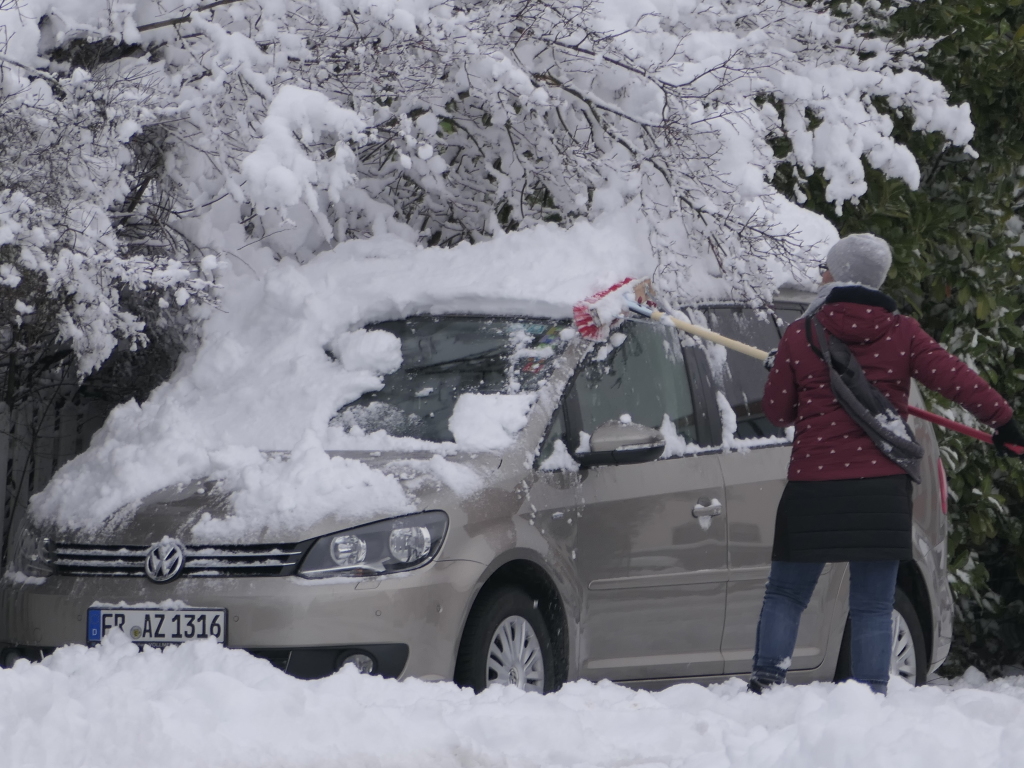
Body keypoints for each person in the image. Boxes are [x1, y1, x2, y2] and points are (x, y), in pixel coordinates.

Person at [749, 233, 1024, 695]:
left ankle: (766, 683)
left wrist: (785, 369)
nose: (821, 274)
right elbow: (956, 378)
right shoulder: (903, 333)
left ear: (839, 275)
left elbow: (777, 412)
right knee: (873, 604)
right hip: (879, 486)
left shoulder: (802, 335)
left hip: (814, 485)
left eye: (826, 267)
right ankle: (871, 694)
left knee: (786, 593)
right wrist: (1006, 422)